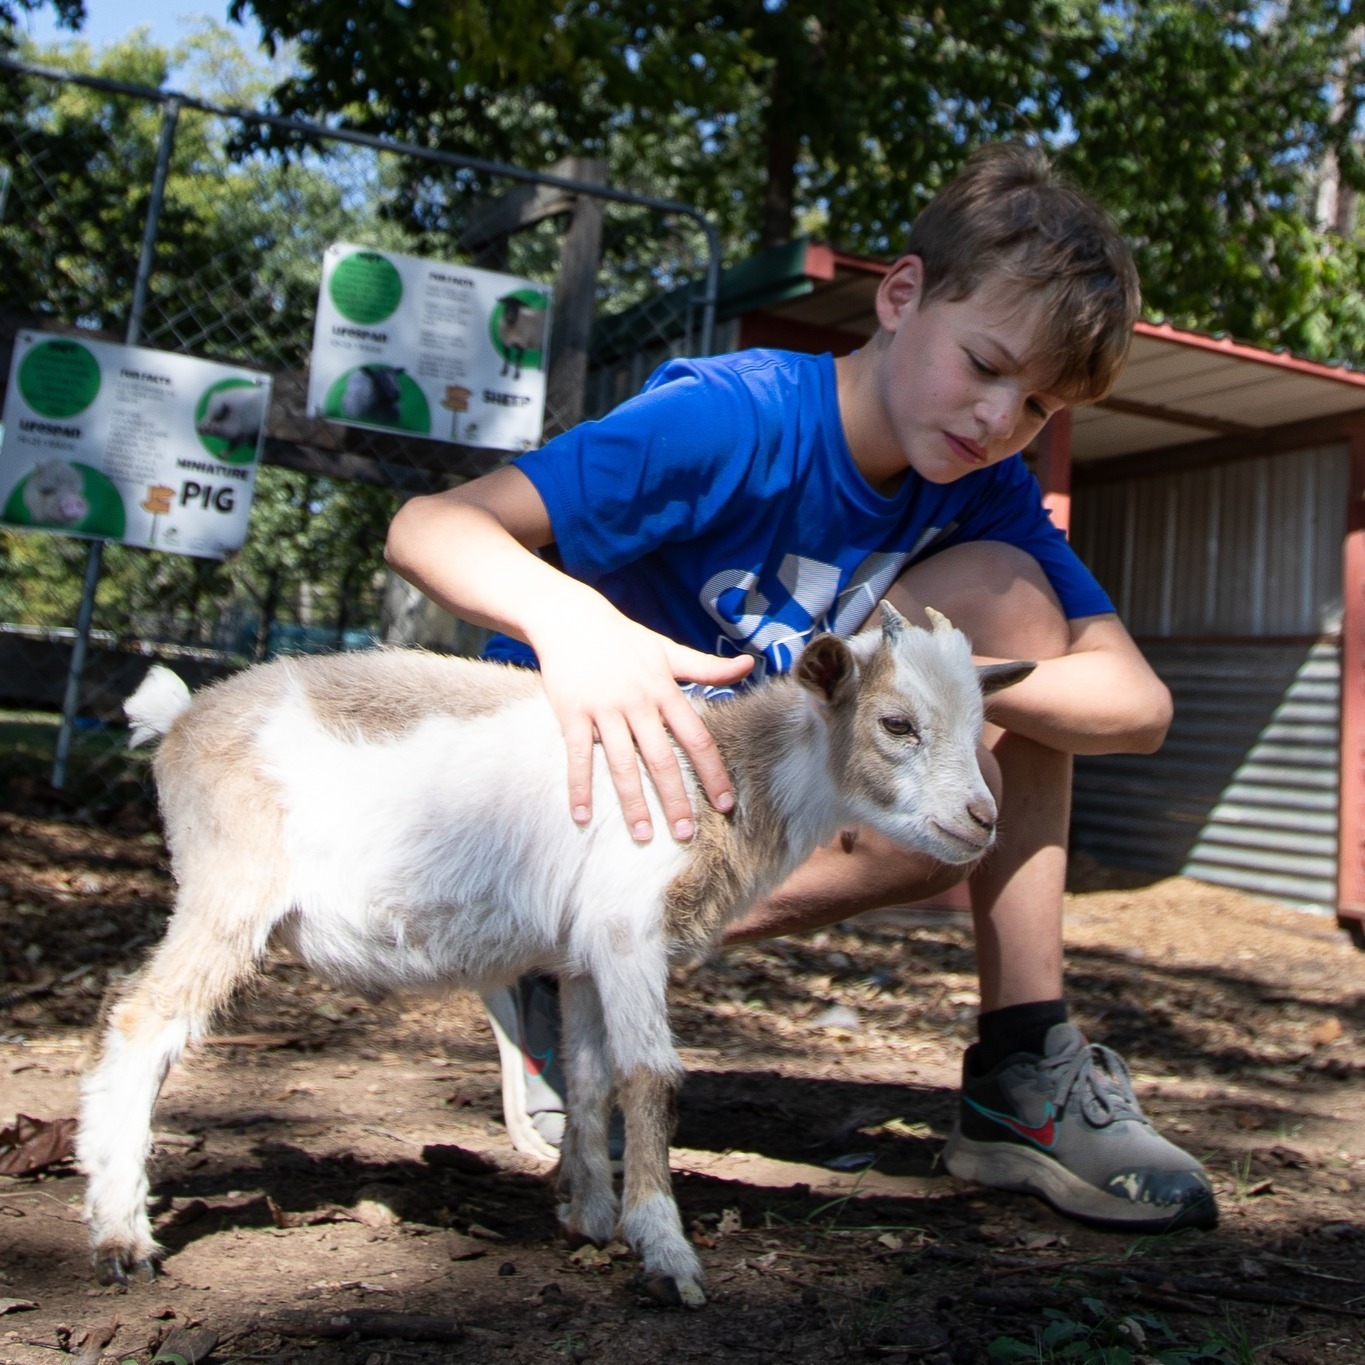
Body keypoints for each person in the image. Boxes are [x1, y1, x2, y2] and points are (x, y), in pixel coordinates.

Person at [384, 142, 1217, 1232]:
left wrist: (956, 689)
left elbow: (1136, 706)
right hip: (572, 795)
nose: (1000, 420)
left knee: (1014, 621)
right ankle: (562, 967)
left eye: (1040, 407)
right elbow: (428, 526)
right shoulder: (737, 419)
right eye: (986, 364)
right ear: (904, 295)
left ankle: (1026, 1069)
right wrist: (579, 627)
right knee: (986, 667)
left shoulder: (984, 491)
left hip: (730, 803)